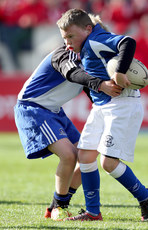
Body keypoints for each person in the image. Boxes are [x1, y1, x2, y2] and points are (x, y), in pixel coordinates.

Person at [57, 8, 148, 222]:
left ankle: (146, 197)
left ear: (88, 29)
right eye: (64, 38)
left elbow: (127, 42)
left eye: (70, 36)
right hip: (102, 107)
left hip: (122, 105)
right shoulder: (84, 48)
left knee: (108, 163)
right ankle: (93, 212)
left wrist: (120, 72)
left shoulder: (95, 40)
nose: (67, 42)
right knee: (85, 156)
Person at [14, 42, 123, 221]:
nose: (68, 41)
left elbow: (95, 96)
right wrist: (101, 84)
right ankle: (60, 206)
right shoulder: (65, 55)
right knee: (69, 155)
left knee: (86, 155)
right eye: (66, 36)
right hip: (34, 108)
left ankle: (56, 205)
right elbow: (74, 74)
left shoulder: (90, 64)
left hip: (54, 111)